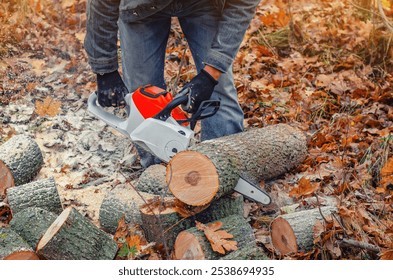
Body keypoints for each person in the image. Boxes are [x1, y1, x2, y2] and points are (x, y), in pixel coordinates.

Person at [84, 0, 261, 167]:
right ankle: (158, 175)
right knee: (142, 94)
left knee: (219, 88)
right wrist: (105, 69)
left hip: (203, 4)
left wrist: (210, 74)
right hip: (140, 7)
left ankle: (224, 167)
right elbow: (101, 4)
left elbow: (242, 4)